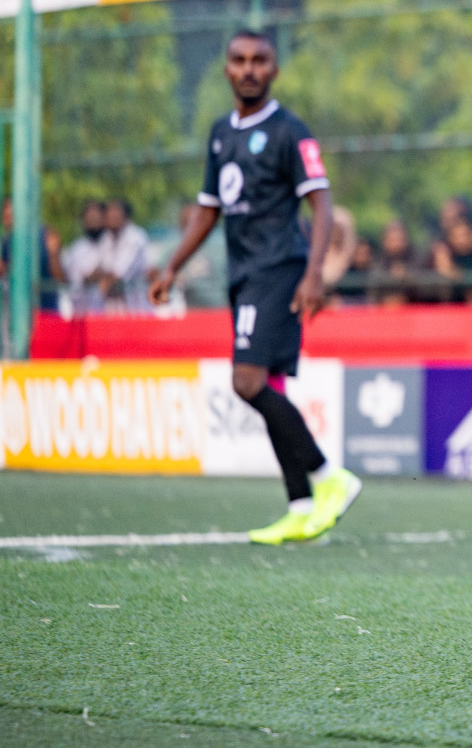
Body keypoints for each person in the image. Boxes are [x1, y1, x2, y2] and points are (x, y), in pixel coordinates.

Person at [150, 30, 361, 545]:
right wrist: (172, 266)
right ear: (227, 69)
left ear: (274, 70)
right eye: (240, 60)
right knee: (271, 387)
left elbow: (322, 202)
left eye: (259, 60)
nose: (249, 69)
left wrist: (313, 274)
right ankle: (300, 505)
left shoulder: (290, 130)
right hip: (244, 274)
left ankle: (330, 476)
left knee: (246, 382)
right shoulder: (221, 133)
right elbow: (208, 211)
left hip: (279, 270)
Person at [96, 198, 151, 313]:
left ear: (126, 216)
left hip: (137, 308)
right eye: (109, 213)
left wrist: (104, 282)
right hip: (114, 310)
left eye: (116, 213)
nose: (112, 217)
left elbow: (118, 273)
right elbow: (100, 269)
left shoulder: (135, 236)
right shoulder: (105, 238)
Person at [60, 200, 107, 316]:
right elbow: (67, 278)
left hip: (109, 316)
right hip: (81, 314)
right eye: (89, 218)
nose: (92, 221)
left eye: (96, 217)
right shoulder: (77, 248)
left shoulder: (112, 244)